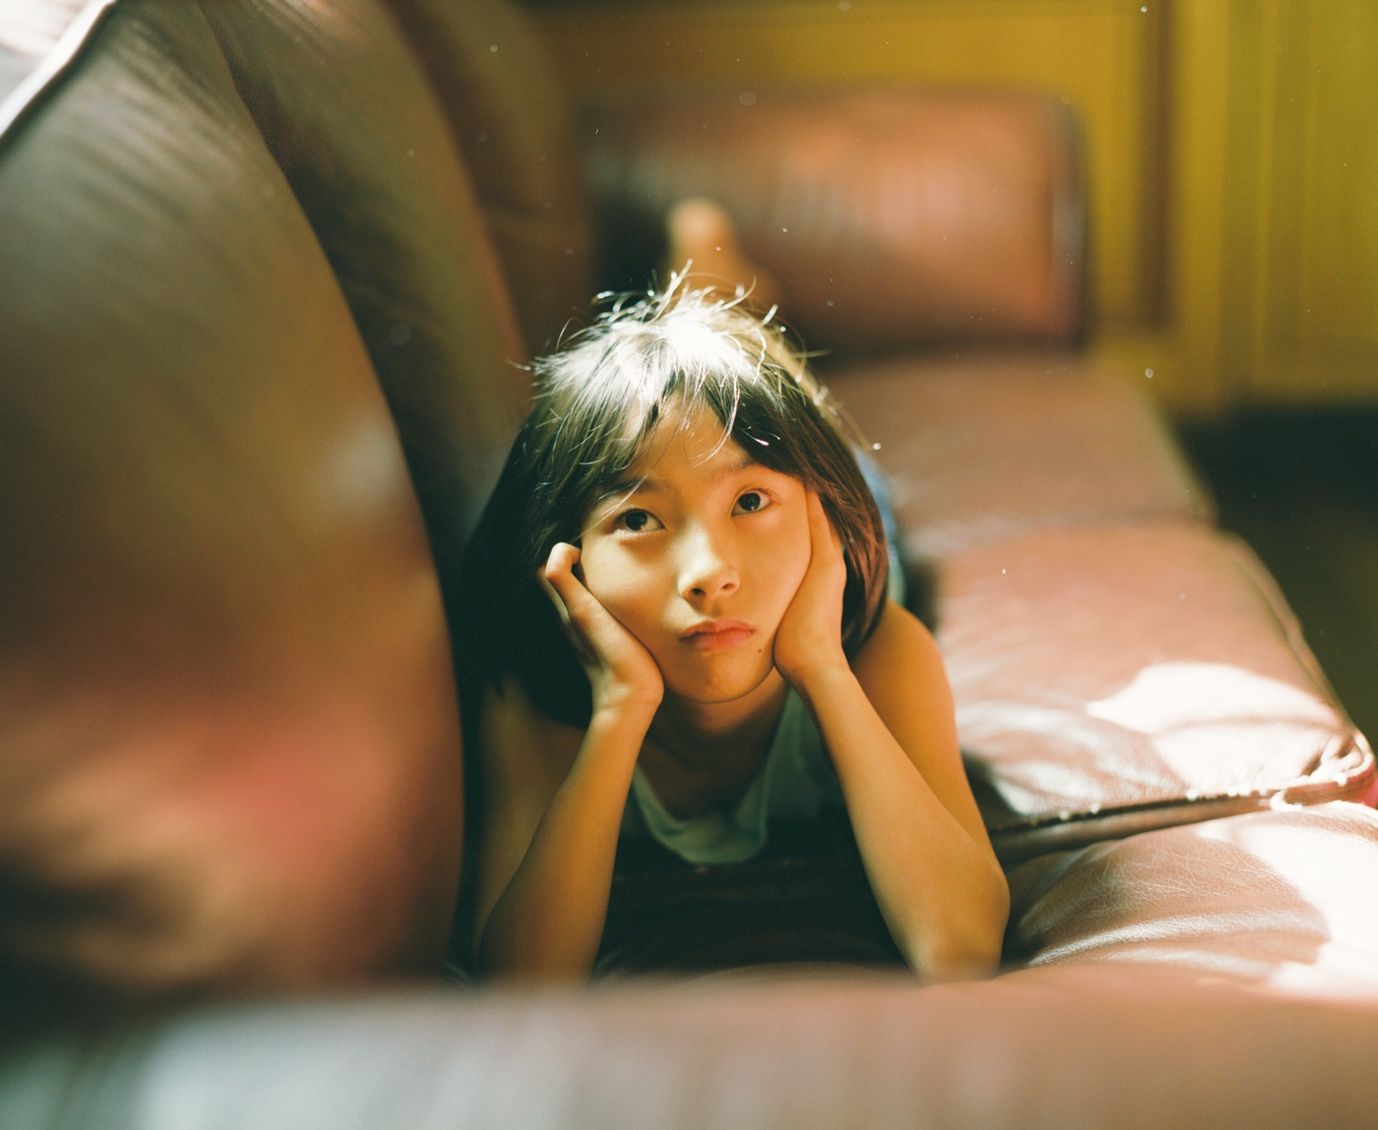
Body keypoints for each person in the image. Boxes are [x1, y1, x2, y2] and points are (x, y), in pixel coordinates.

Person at [456, 275, 1009, 982]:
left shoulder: (880, 652)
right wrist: (621, 711)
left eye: (748, 500)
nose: (709, 572)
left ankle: (709, 266)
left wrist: (823, 665)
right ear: (566, 561)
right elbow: (520, 986)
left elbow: (959, 948)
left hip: (829, 549)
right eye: (637, 519)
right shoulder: (541, 701)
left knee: (790, 406)